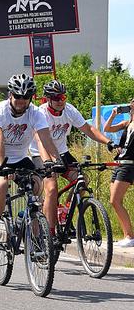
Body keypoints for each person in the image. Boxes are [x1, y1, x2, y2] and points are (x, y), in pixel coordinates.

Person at [0, 74, 64, 251]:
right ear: (10, 94)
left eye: (25, 97)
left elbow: (46, 139)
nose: (21, 100)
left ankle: (31, 230)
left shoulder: (35, 113)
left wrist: (56, 161)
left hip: (19, 157)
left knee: (37, 187)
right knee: (0, 185)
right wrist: (2, 166)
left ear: (31, 98)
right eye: (17, 96)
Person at [30, 80, 116, 246]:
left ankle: (65, 212)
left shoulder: (69, 110)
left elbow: (88, 129)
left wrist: (109, 142)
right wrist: (50, 163)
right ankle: (50, 233)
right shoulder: (40, 114)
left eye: (63, 96)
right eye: (56, 97)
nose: (61, 100)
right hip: (41, 154)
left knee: (82, 181)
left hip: (62, 152)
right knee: (51, 188)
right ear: (47, 99)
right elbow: (41, 141)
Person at [103, 98, 134, 247]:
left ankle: (130, 236)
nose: (132, 105)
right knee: (115, 202)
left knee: (115, 200)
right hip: (118, 163)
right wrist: (114, 114)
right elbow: (107, 128)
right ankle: (126, 235)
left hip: (128, 165)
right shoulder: (127, 124)